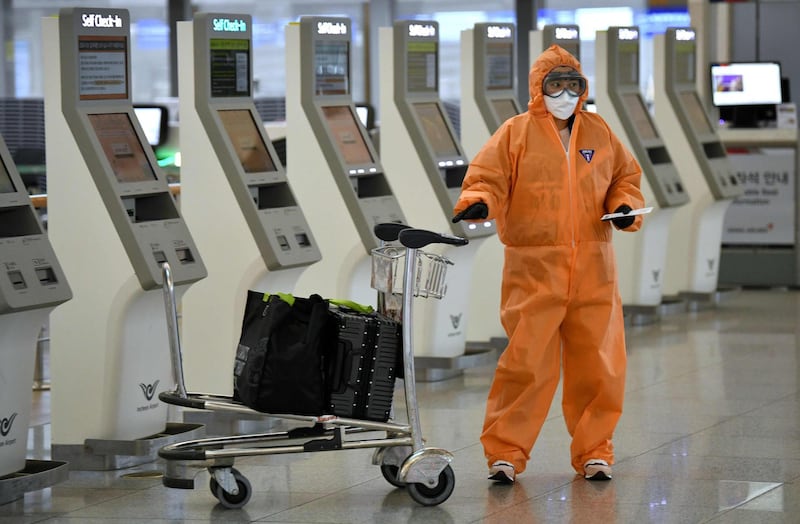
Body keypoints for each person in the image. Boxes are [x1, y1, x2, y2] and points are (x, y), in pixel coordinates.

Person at [452, 44, 644, 484]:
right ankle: (506, 454)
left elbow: (625, 179)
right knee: (525, 365)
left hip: (594, 267)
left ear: (583, 88)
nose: (565, 93)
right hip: (534, 268)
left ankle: (595, 452)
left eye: (572, 85)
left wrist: (625, 206)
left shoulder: (598, 131)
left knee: (599, 366)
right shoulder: (515, 133)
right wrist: (478, 203)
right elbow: (487, 178)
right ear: (539, 89)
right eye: (555, 85)